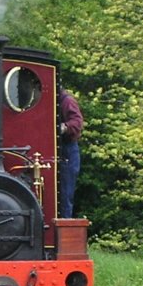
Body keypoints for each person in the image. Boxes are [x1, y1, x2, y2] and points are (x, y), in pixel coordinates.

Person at [59, 88, 83, 218]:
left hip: (67, 150)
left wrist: (63, 127)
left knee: (65, 195)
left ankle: (64, 226)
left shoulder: (67, 101)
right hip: (60, 150)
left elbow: (77, 123)